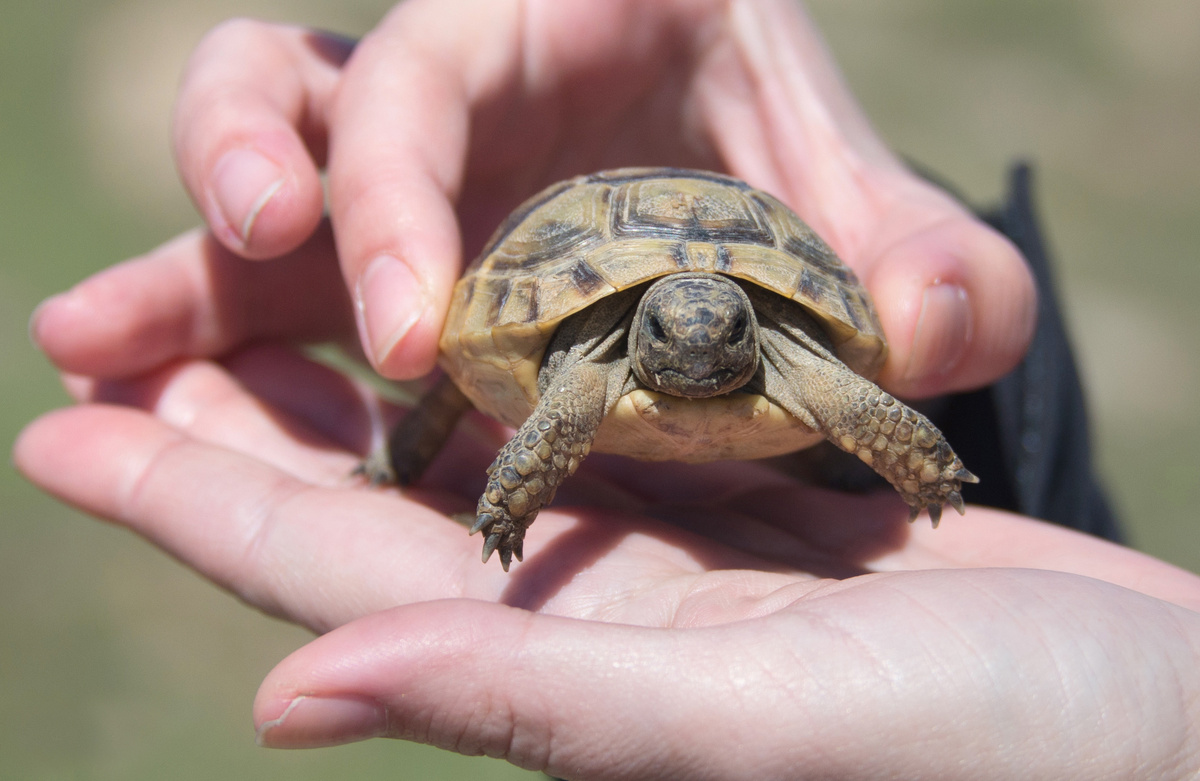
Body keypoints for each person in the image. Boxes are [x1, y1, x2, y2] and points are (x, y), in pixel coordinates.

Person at [15, 1, 1200, 777]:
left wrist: (926, 463)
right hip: (573, 323)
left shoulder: (776, 350)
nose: (696, 347)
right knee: (457, 379)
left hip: (766, 377)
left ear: (743, 328)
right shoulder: (594, 362)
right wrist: (511, 492)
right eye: (676, 332)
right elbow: (544, 399)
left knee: (833, 415)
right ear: (650, 326)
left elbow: (858, 395)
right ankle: (412, 460)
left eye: (718, 332)